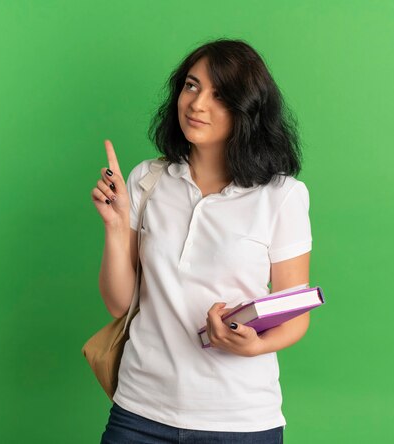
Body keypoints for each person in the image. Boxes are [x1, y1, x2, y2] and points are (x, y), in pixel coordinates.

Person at [91, 38, 312, 443]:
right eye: (191, 86)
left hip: (240, 422)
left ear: (248, 111)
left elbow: (295, 311)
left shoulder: (282, 195)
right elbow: (119, 303)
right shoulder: (149, 179)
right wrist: (116, 225)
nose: (196, 104)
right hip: (139, 410)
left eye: (219, 95)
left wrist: (252, 347)